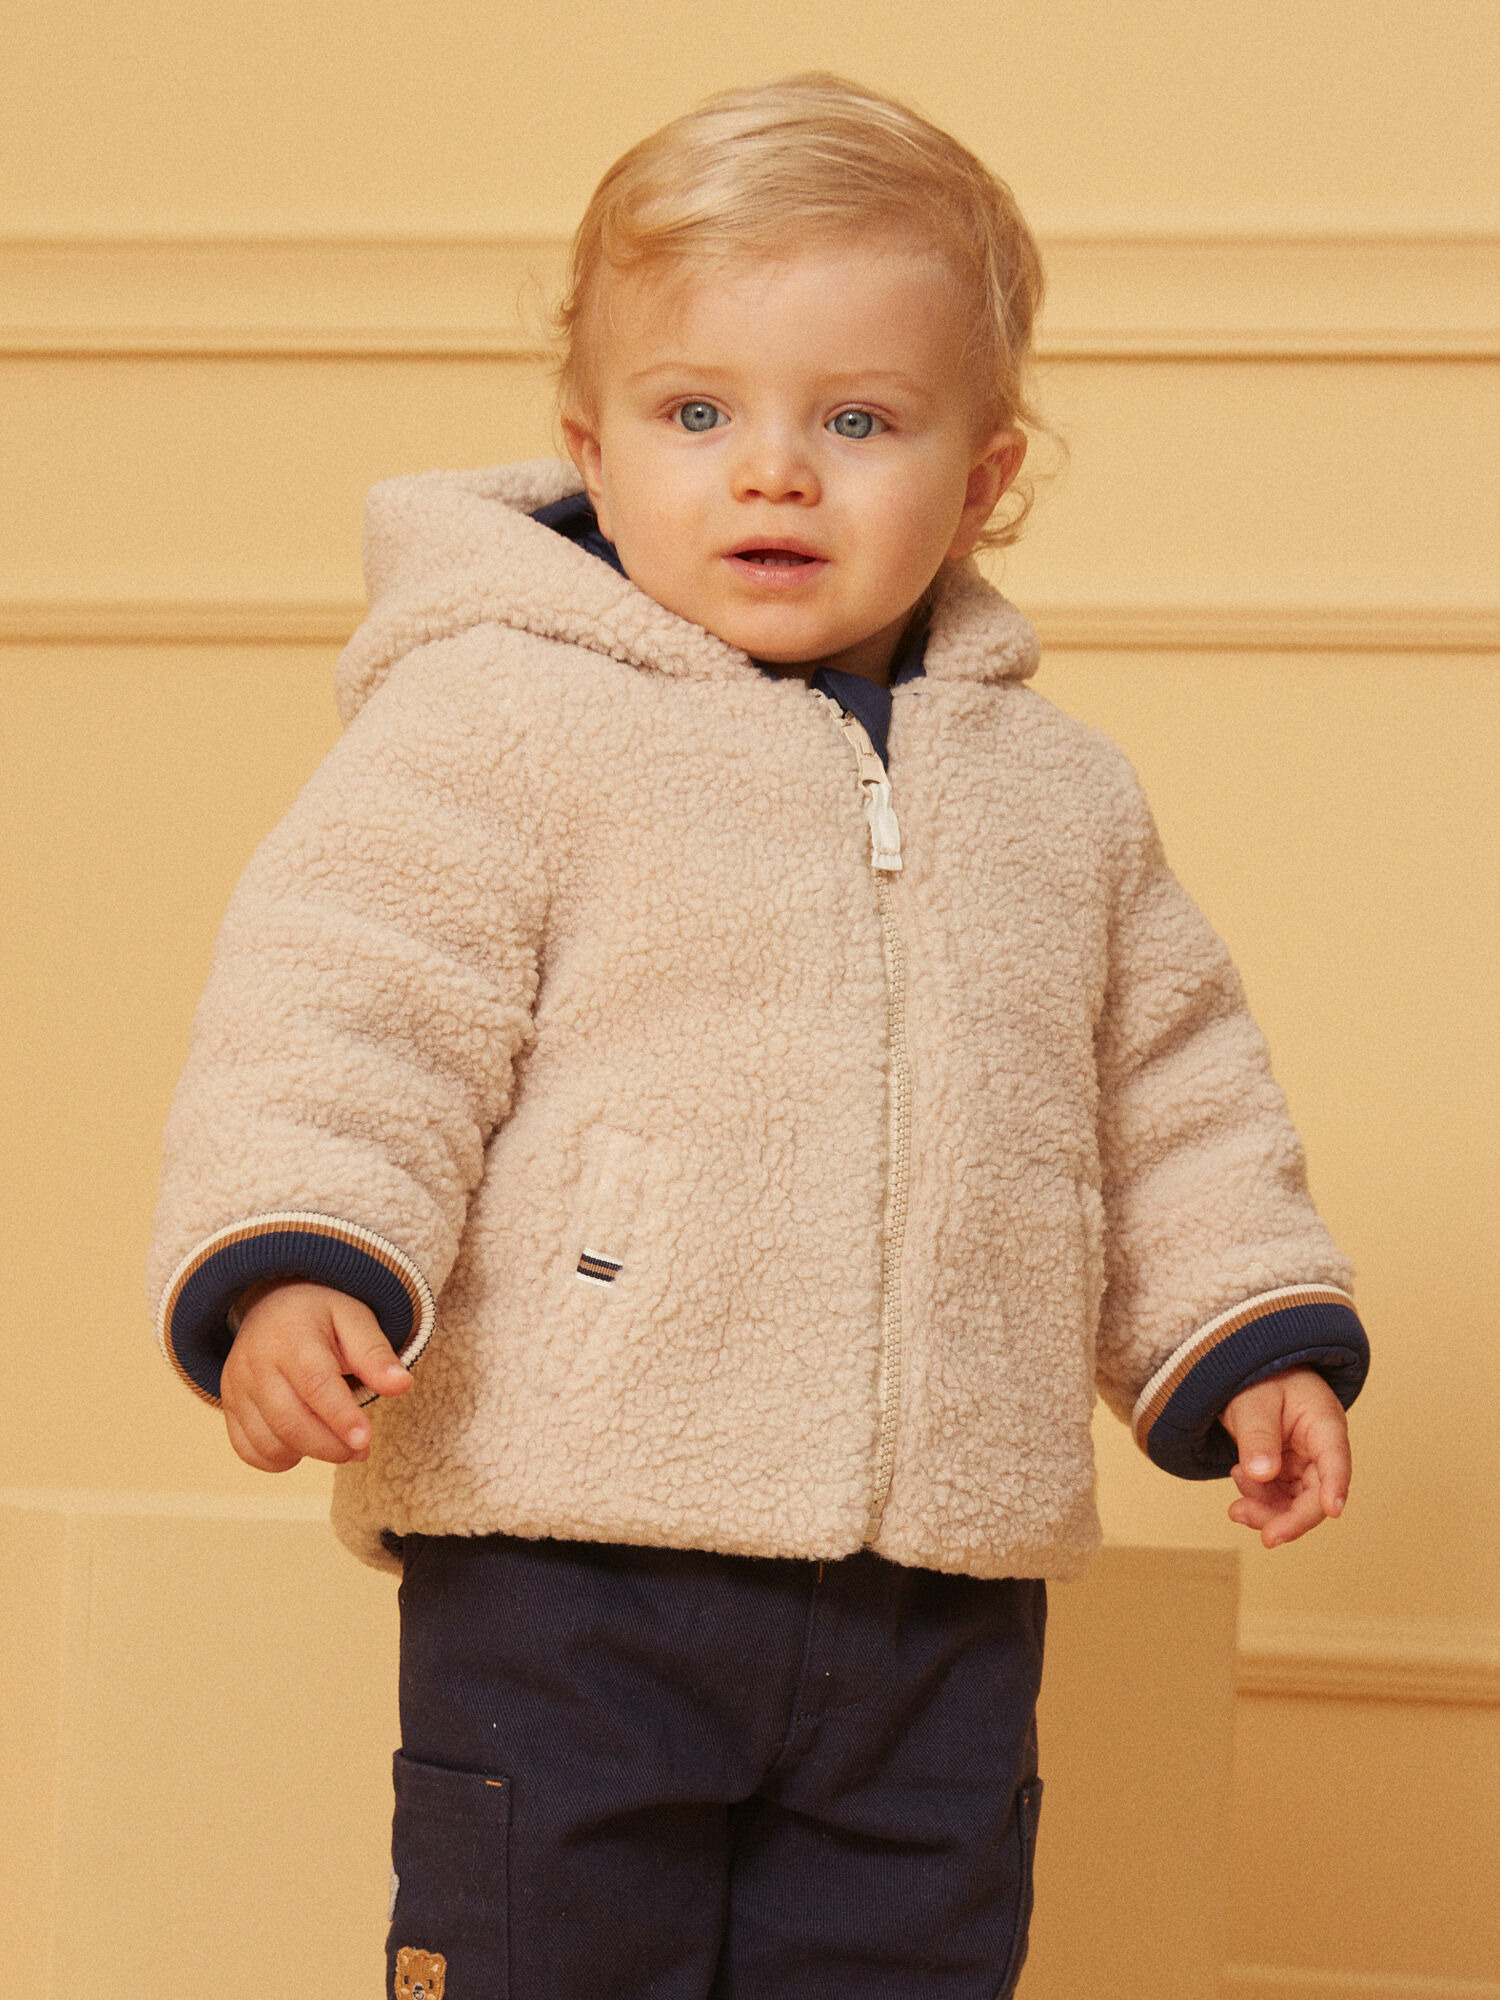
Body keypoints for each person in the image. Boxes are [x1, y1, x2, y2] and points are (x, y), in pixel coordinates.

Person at [148, 72, 1369, 2000]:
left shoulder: (1059, 799)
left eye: (857, 421)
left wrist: (1246, 1334)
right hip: (574, 1555)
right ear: (593, 446)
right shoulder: (501, 724)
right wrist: (299, 1258)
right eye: (697, 413)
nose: (774, 472)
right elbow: (348, 1007)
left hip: (938, 1595)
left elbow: (1174, 1096)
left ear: (985, 477)